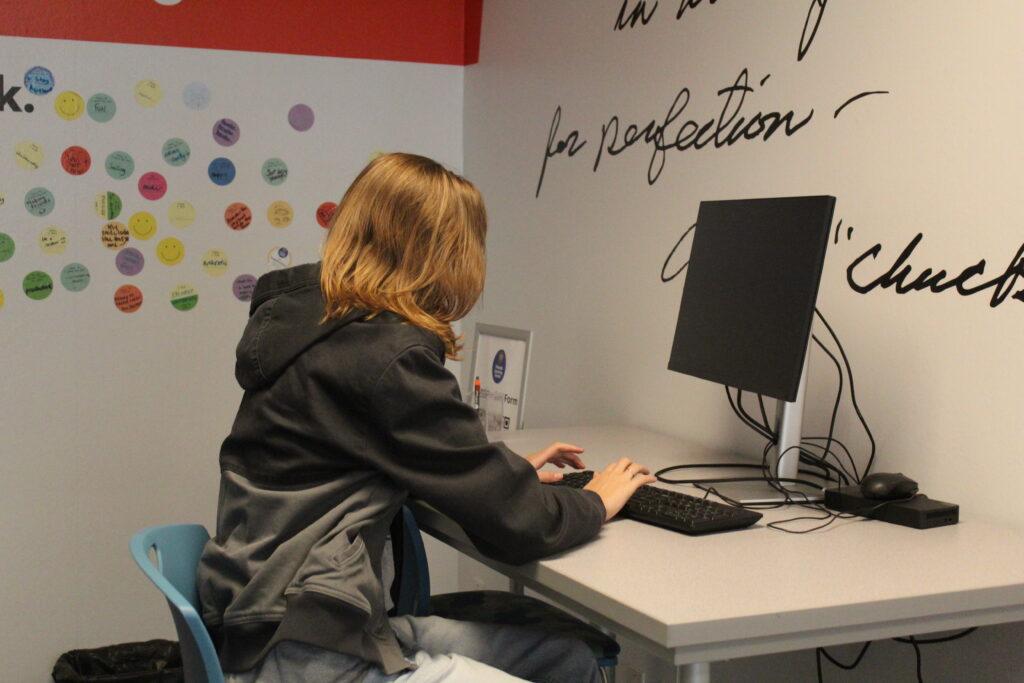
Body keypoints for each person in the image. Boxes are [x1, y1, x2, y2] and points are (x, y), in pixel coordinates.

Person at [197, 152, 656, 682]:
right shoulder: (383, 355)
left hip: (276, 616)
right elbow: (521, 525)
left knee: (566, 659)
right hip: (308, 643)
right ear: (445, 254)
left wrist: (502, 474)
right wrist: (596, 499)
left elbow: (359, 460)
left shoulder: (317, 330)